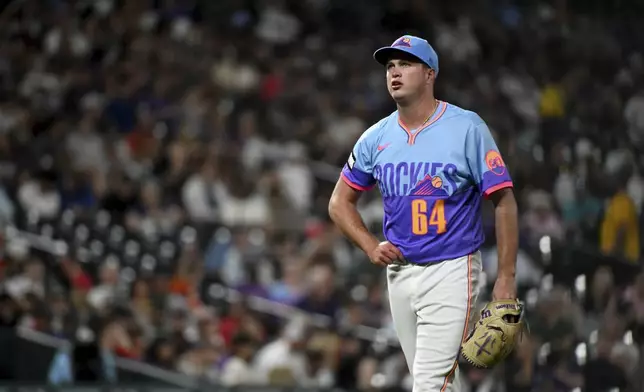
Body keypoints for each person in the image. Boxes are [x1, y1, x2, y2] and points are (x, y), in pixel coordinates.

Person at [328, 35, 519, 391]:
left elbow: (503, 200)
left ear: (429, 73)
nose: (395, 73)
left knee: (431, 383)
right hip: (400, 272)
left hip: (452, 267)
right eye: (390, 66)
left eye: (405, 64)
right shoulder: (376, 137)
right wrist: (370, 245)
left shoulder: (466, 127)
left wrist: (506, 277)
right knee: (438, 381)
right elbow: (339, 203)